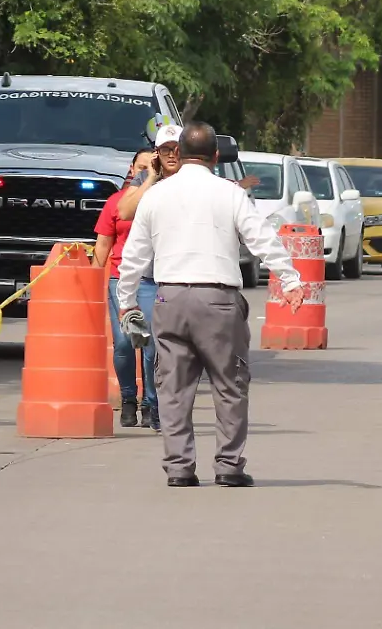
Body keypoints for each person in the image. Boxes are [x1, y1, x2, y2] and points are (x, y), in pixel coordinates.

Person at [116, 121, 305, 488]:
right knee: (229, 385)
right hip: (218, 301)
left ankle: (179, 469)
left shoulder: (155, 195)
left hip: (169, 298)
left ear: (179, 154)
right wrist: (290, 278)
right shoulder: (230, 194)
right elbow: (261, 238)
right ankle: (229, 467)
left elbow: (134, 256)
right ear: (215, 157)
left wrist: (126, 302)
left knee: (172, 387)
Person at [95, 143, 170, 430]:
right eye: (141, 167)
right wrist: (93, 281)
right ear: (132, 170)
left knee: (150, 344)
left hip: (153, 280)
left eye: (152, 166)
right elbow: (103, 243)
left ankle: (152, 404)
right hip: (120, 277)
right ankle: (129, 400)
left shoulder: (167, 197)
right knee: (125, 342)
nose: (146, 171)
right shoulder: (117, 201)